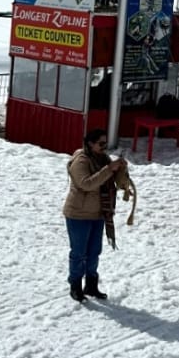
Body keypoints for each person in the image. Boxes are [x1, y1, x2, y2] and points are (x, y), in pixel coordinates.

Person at [62, 128, 128, 302]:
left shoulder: (103, 159)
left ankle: (91, 285)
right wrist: (109, 169)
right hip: (78, 215)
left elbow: (110, 180)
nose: (104, 147)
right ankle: (75, 286)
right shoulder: (81, 161)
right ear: (90, 144)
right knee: (78, 253)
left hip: (97, 214)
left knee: (93, 252)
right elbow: (86, 184)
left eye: (106, 143)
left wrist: (120, 171)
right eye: (101, 143)